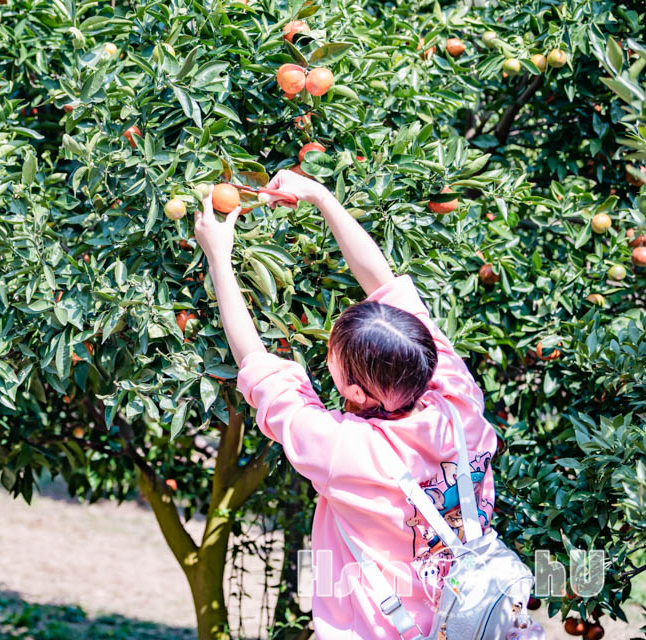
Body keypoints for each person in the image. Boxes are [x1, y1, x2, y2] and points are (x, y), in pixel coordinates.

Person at [193, 171, 499, 639]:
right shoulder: (460, 402)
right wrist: (320, 196)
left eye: (332, 357)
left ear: (354, 390)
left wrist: (219, 257)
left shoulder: (345, 450)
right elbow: (385, 286)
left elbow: (254, 362)